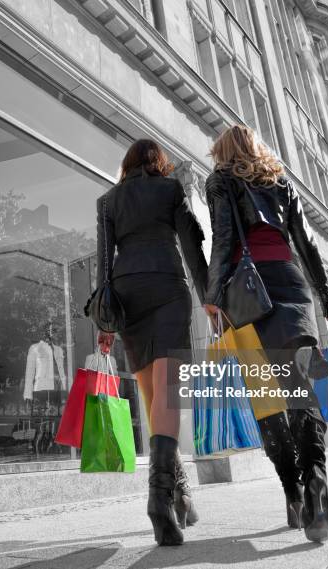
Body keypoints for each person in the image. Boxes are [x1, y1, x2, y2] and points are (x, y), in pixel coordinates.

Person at [203, 125, 328, 543]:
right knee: (300, 387)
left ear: (223, 151)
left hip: (249, 292)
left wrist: (213, 298)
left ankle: (292, 492)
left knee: (267, 402)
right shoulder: (280, 180)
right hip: (291, 281)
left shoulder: (220, 180)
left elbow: (224, 239)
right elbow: (307, 244)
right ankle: (316, 483)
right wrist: (326, 297)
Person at [96, 139, 208, 546]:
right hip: (166, 287)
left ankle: (180, 494)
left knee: (154, 398)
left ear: (126, 164)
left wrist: (104, 320)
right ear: (159, 163)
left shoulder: (108, 200)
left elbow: (103, 262)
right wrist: (208, 295)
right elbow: (192, 243)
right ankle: (158, 499)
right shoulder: (171, 189)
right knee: (168, 396)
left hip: (127, 296)